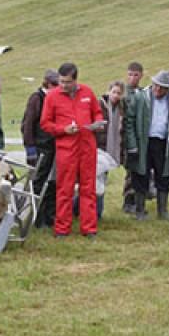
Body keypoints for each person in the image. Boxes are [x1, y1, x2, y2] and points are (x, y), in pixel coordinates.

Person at [40, 63, 104, 238]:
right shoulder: (52, 97)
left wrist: (97, 123)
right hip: (66, 148)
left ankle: (89, 228)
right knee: (64, 188)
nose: (63, 85)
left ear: (76, 79)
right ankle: (62, 228)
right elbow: (45, 123)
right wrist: (63, 130)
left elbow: (97, 113)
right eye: (61, 81)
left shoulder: (88, 93)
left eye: (67, 82)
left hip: (87, 147)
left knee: (88, 188)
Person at [126, 70, 169, 221]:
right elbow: (129, 121)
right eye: (156, 86)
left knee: (163, 176)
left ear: (168, 89)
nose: (157, 90)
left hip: (163, 143)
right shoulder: (140, 97)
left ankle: (162, 210)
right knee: (140, 175)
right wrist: (132, 144)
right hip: (143, 142)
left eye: (162, 88)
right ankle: (140, 210)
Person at [21, 69, 59, 228]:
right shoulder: (37, 99)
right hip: (39, 149)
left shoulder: (55, 98)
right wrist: (30, 149)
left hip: (53, 148)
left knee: (52, 183)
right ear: (48, 83)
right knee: (38, 183)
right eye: (56, 84)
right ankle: (37, 218)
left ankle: (50, 216)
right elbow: (27, 125)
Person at [94, 80, 127, 218]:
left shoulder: (120, 109)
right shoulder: (100, 105)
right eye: (114, 92)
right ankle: (96, 212)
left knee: (102, 180)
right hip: (99, 148)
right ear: (109, 91)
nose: (116, 95)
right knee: (96, 180)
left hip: (110, 150)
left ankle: (97, 211)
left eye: (119, 93)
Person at [121, 62, 144, 214]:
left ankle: (138, 199)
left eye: (136, 75)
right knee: (130, 170)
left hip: (141, 137)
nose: (132, 78)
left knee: (139, 170)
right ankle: (128, 201)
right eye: (130, 74)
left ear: (141, 75)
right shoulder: (123, 94)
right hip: (127, 137)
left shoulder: (143, 93)